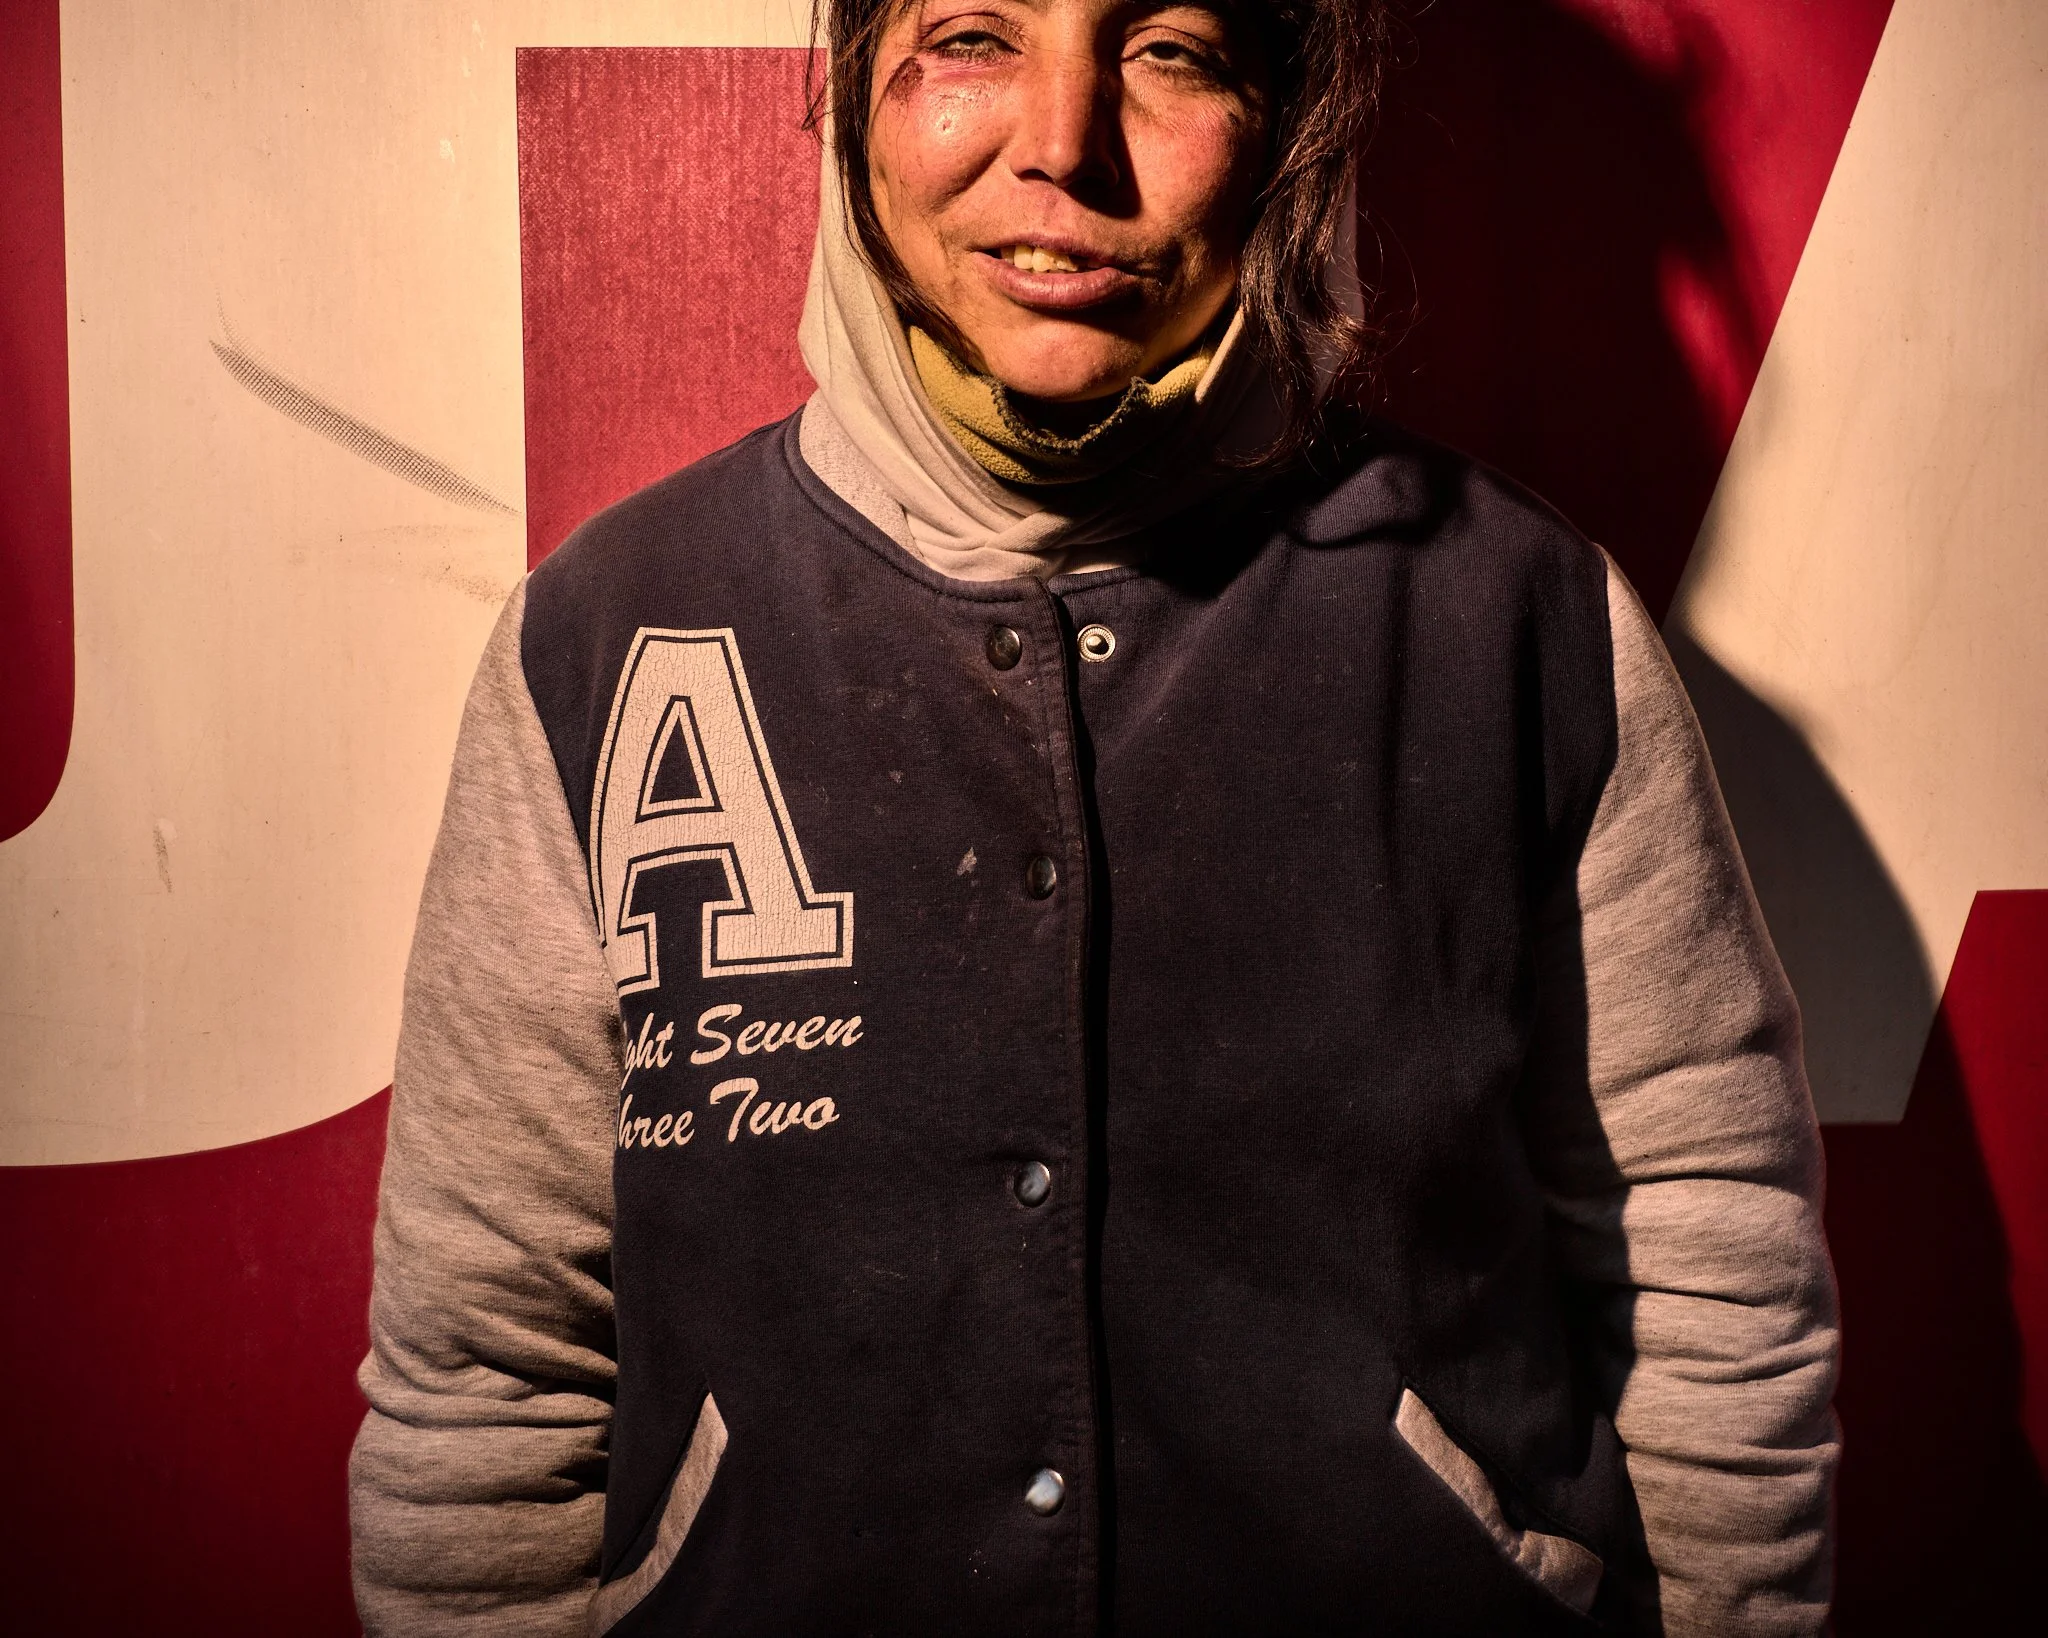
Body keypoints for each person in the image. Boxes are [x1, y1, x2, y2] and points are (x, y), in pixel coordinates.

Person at [349, 2, 1839, 1633]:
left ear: (1289, 119)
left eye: (1170, 50)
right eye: (975, 35)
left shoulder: (1522, 624)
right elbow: (486, 1370)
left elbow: (1713, 1278)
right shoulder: (604, 636)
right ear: (852, 92)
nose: (1063, 139)